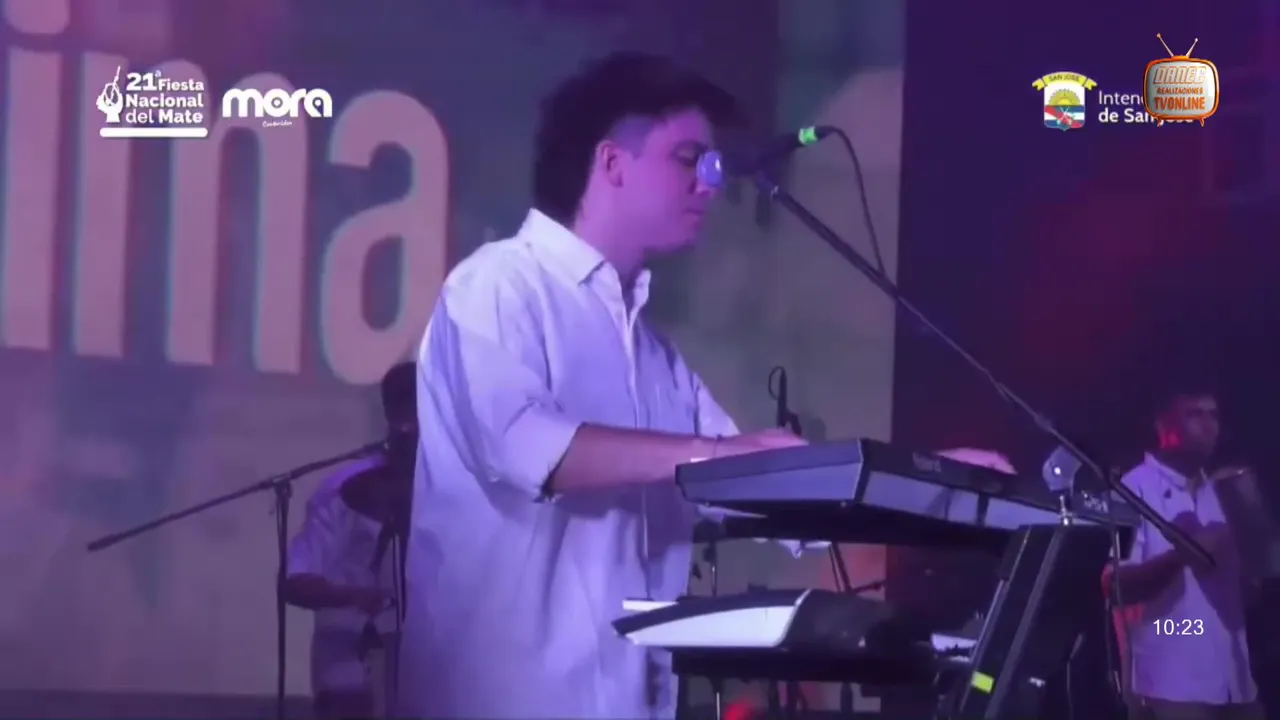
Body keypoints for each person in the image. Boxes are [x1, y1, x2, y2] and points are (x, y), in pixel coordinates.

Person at [401, 51, 1014, 719]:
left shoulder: (652, 350)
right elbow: (529, 448)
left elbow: (756, 483)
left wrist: (929, 476)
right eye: (687, 159)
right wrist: (714, 455)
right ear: (612, 162)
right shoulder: (496, 286)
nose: (710, 183)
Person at [1103, 384, 1266, 720]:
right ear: (1164, 425)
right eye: (1194, 414)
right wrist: (1182, 555)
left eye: (1214, 415)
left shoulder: (1223, 491)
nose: (1208, 426)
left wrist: (1255, 550)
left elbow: (1247, 592)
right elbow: (1114, 587)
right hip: (1169, 687)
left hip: (1237, 683)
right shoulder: (1132, 490)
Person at [282, 362, 417, 719]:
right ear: (395, 416)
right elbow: (295, 582)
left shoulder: (460, 493)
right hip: (350, 661)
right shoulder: (344, 490)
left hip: (429, 664)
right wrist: (355, 597)